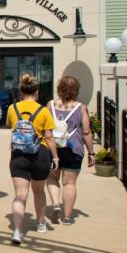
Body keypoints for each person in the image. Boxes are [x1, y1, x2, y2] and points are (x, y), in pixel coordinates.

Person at [6, 73, 57, 244]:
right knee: (39, 191)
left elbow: (11, 126)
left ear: (21, 91)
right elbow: (49, 137)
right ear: (37, 92)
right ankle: (41, 223)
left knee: (20, 195)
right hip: (40, 154)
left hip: (19, 155)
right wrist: (55, 157)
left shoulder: (13, 108)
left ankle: (18, 231)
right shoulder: (43, 111)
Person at [45, 75, 95, 225]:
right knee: (69, 183)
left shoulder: (51, 105)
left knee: (52, 178)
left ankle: (55, 204)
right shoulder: (81, 107)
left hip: (53, 148)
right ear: (76, 91)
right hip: (73, 148)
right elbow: (86, 132)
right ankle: (67, 217)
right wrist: (91, 152)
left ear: (60, 89)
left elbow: (45, 127)